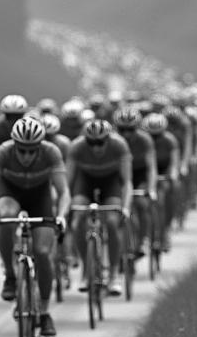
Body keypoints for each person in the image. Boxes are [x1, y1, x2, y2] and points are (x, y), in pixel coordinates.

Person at [0, 115, 69, 337]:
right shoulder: (3, 152)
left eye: (31, 150)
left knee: (43, 252)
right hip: (9, 192)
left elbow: (63, 192)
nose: (26, 155)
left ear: (40, 146)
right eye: (21, 150)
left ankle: (44, 312)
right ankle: (11, 276)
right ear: (14, 145)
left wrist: (61, 216)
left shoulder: (51, 152)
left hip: (39, 196)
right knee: (6, 216)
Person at [67, 117, 131, 297]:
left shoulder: (119, 145)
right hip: (85, 182)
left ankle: (113, 275)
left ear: (108, 140)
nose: (96, 147)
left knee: (112, 221)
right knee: (77, 220)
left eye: (101, 142)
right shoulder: (77, 147)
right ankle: (87, 271)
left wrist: (125, 207)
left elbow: (127, 182)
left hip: (111, 183)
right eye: (91, 142)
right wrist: (66, 208)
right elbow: (67, 182)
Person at [112, 106, 157, 259]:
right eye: (122, 129)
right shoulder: (113, 140)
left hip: (139, 174)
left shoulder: (145, 139)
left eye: (130, 129)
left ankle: (144, 239)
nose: (126, 134)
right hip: (120, 175)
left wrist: (151, 188)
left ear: (136, 128)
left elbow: (151, 167)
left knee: (141, 203)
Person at [144, 112, 180, 252]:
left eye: (157, 135)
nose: (154, 138)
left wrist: (173, 175)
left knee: (166, 196)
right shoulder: (144, 141)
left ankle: (165, 231)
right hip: (147, 171)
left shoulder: (170, 140)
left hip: (164, 170)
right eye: (151, 135)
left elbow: (174, 160)